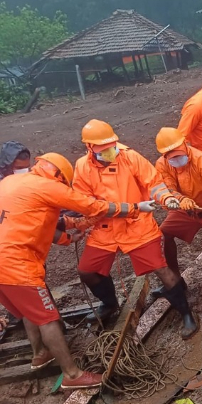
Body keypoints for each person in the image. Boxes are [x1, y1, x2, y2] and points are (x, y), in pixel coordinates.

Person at [0, 153, 156, 389]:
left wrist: (69, 233)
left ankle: (40, 354)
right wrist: (135, 207)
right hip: (15, 264)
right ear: (59, 176)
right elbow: (92, 206)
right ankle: (72, 376)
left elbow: (40, 220)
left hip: (4, 264)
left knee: (27, 310)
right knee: (48, 318)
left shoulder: (10, 182)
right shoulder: (48, 186)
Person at [73, 119, 199, 339]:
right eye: (103, 150)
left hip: (137, 225)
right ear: (89, 148)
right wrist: (83, 223)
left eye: (111, 146)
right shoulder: (82, 167)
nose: (110, 152)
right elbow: (85, 203)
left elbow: (154, 183)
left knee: (161, 268)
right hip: (105, 228)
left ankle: (186, 313)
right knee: (86, 270)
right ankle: (109, 303)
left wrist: (166, 197)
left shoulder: (130, 157)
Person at [153, 127, 202, 298]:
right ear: (164, 155)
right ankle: (175, 279)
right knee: (163, 234)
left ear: (185, 144)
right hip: (186, 209)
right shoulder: (162, 164)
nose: (176, 157)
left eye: (178, 152)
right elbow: (168, 188)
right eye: (170, 155)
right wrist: (181, 200)